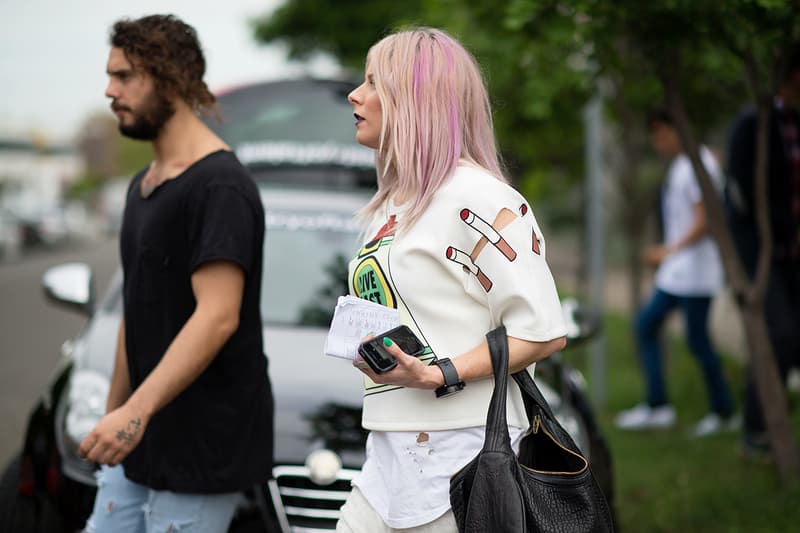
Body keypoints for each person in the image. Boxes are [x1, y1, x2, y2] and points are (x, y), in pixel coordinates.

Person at [338, 28, 567, 532]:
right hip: (387, 452)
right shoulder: (393, 202)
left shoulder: (481, 197)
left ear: (415, 99)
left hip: (465, 455)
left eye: (374, 82)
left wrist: (441, 373)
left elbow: (543, 332)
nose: (355, 95)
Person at [78, 15, 273, 532]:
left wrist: (134, 413)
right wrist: (115, 413)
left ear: (170, 79)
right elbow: (136, 311)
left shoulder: (221, 187)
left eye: (125, 76)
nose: (110, 91)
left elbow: (218, 316)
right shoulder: (143, 185)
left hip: (202, 451)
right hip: (140, 439)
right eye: (110, 76)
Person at [615, 110, 736, 437]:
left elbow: (704, 220)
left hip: (695, 273)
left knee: (695, 341)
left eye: (662, 134)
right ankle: (659, 406)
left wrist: (668, 250)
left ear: (679, 129)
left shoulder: (699, 165)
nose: (658, 142)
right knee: (648, 327)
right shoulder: (684, 164)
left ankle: (722, 410)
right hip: (680, 272)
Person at [726, 45, 800, 458]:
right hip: (763, 253)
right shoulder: (753, 125)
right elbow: (741, 195)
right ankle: (757, 428)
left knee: (791, 335)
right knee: (779, 334)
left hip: (791, 252)